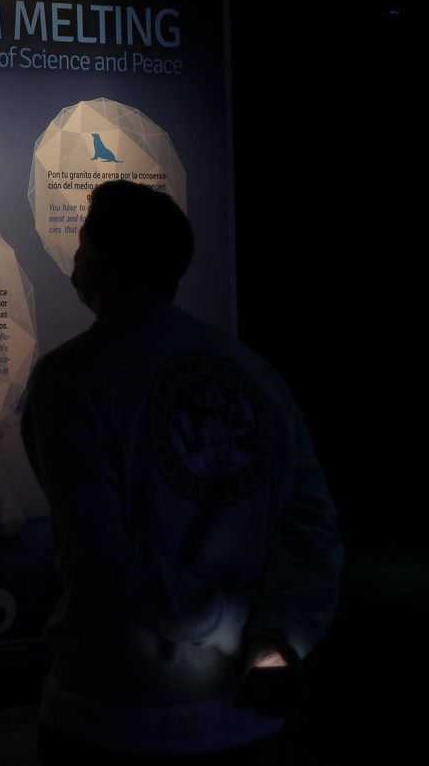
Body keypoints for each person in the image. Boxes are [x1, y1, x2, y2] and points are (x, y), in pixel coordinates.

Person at [21, 180, 342, 764]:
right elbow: (312, 528)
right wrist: (272, 634)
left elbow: (108, 547)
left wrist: (223, 621)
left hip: (109, 716)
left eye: (80, 248)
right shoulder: (256, 372)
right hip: (247, 715)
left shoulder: (69, 378)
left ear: (93, 264)